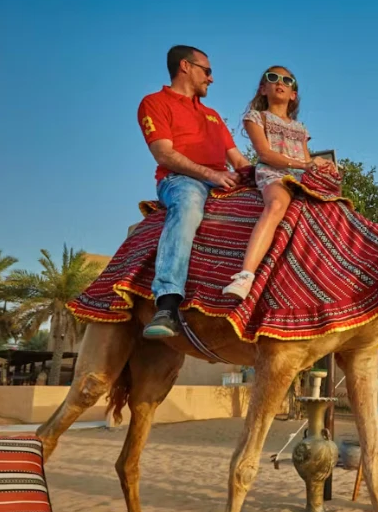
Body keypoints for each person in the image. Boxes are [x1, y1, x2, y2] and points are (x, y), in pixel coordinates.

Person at [136, 45, 252, 338]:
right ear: (185, 67)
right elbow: (164, 155)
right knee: (188, 204)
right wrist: (211, 174)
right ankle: (167, 302)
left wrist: (264, 176)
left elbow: (238, 160)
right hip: (180, 180)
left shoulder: (213, 116)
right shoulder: (155, 102)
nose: (211, 79)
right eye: (207, 71)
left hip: (222, 180)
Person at [222, 66, 328, 299]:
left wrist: (319, 165)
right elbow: (266, 155)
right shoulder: (257, 117)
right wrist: (304, 165)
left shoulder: (300, 128)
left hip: (300, 177)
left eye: (287, 80)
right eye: (273, 78)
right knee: (277, 205)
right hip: (274, 174)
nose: (280, 82)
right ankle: (245, 276)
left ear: (293, 94)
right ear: (263, 88)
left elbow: (306, 158)